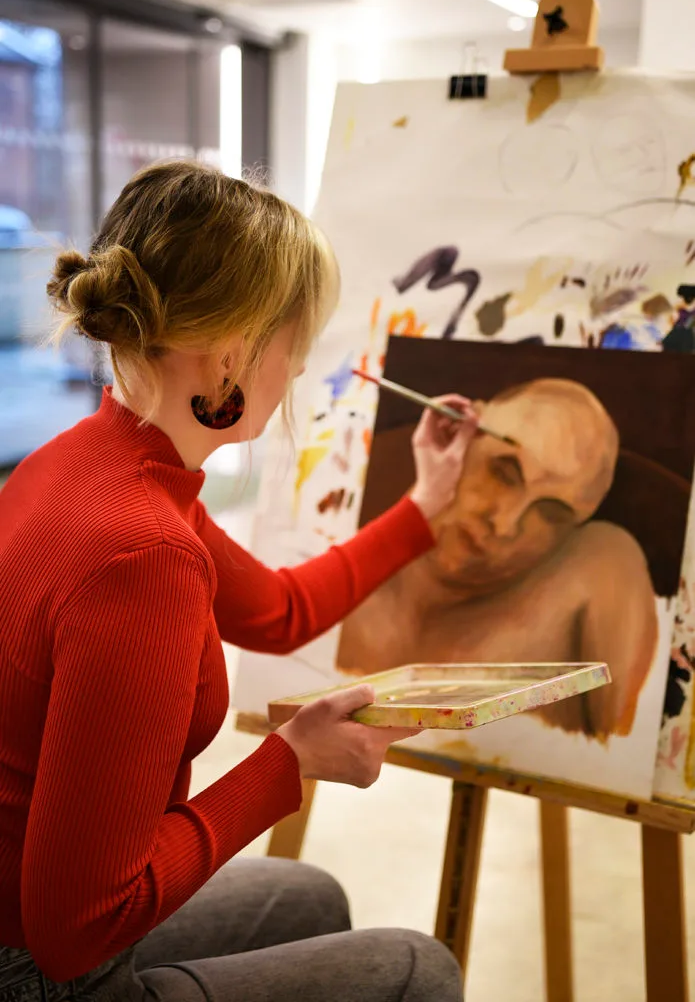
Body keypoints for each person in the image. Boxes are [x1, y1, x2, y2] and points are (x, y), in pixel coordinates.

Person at [0, 161, 480, 1002]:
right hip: (38, 966)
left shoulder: (88, 462)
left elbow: (280, 611)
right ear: (229, 353)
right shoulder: (140, 553)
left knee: (311, 894)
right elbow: (74, 930)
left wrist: (425, 505)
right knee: (418, 968)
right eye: (295, 335)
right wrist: (286, 764)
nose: (298, 367)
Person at [338, 378, 659, 741]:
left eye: (550, 513)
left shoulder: (597, 570)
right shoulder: (344, 535)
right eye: (504, 473)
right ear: (462, 435)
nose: (504, 523)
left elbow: (614, 748)